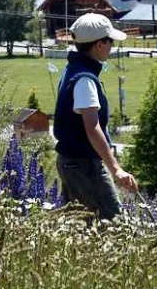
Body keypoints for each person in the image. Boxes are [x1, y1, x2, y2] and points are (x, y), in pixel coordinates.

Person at [53, 13, 137, 220]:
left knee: (82, 226)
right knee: (115, 225)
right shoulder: (85, 80)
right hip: (84, 165)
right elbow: (92, 127)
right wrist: (116, 170)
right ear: (99, 44)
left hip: (71, 163)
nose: (112, 46)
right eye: (110, 42)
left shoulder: (72, 69)